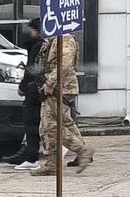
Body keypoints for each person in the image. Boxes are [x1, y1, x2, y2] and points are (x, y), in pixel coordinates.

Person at [31, 33, 95, 176]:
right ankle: (54, 162)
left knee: (50, 126)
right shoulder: (53, 38)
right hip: (58, 87)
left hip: (60, 88)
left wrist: (50, 82)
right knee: (62, 124)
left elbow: (64, 64)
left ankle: (81, 150)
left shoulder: (64, 37)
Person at [4, 18, 46, 169]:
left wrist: (23, 87)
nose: (30, 33)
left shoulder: (38, 45)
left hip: (34, 89)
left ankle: (31, 157)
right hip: (42, 89)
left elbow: (31, 69)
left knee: (32, 123)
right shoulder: (46, 44)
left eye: (32, 30)